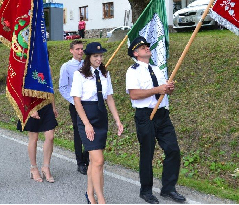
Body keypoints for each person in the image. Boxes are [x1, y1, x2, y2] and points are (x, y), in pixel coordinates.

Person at [125, 36, 186, 204]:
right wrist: (157, 89)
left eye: (147, 46)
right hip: (145, 116)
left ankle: (168, 189)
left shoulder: (157, 69)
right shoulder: (133, 71)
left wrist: (168, 89)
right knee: (147, 153)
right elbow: (134, 94)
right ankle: (146, 191)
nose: (147, 48)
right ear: (136, 53)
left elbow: (164, 91)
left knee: (173, 149)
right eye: (143, 47)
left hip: (162, 114)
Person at [71, 42, 123, 204]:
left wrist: (117, 120)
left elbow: (109, 98)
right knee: (99, 160)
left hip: (101, 118)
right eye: (95, 56)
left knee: (95, 161)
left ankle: (90, 193)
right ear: (88, 57)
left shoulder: (105, 74)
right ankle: (101, 199)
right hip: (87, 116)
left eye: (100, 56)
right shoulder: (79, 75)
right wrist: (86, 124)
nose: (99, 59)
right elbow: (77, 101)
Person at [17, 62, 58, 183]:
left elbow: (49, 88)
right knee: (34, 138)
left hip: (46, 104)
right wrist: (30, 109)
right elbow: (21, 89)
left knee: (50, 136)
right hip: (30, 105)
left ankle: (46, 166)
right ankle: (33, 168)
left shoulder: (47, 67)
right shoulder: (25, 67)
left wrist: (53, 106)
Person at [59, 40, 89, 175]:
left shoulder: (88, 64)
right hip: (75, 104)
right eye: (77, 49)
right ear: (71, 51)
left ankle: (87, 156)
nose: (80, 51)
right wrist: (74, 101)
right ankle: (80, 162)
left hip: (89, 103)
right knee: (78, 132)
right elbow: (63, 87)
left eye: (82, 49)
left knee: (91, 129)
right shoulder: (66, 67)